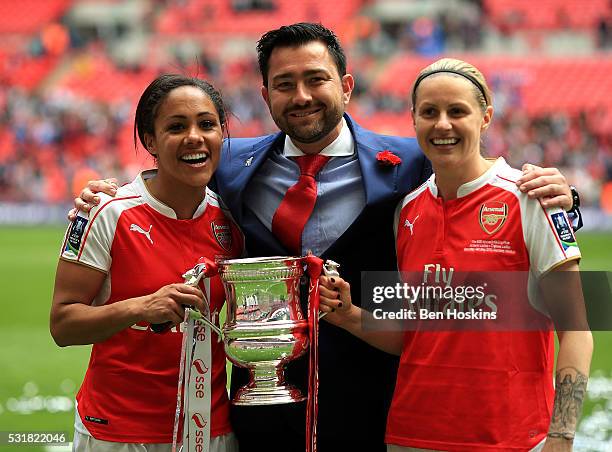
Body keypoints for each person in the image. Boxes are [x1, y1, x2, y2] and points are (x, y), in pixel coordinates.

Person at [70, 23, 580, 452]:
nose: (303, 96)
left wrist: (565, 202)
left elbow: (482, 180)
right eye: (285, 83)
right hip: (262, 414)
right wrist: (104, 193)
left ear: (347, 85)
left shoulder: (412, 160)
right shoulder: (229, 162)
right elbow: (171, 171)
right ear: (265, 94)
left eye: (316, 79)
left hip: (375, 411)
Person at [319, 58, 592, 451]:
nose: (442, 124)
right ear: (413, 119)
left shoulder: (532, 199)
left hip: (509, 439)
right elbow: (413, 333)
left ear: (485, 118)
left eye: (457, 111)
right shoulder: (406, 211)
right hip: (410, 436)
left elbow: (578, 334)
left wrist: (561, 437)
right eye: (429, 112)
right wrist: (350, 316)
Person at [51, 74, 243, 452]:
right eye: (176, 126)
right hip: (119, 432)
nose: (194, 137)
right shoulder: (105, 212)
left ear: (222, 134)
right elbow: (63, 325)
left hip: (211, 429)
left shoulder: (232, 219)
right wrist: (141, 307)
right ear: (150, 140)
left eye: (207, 124)